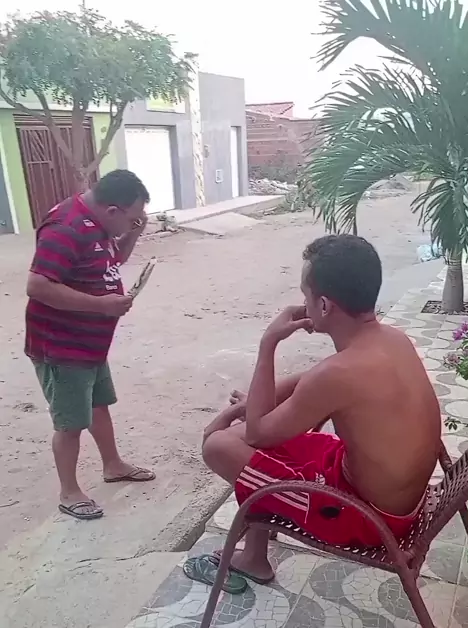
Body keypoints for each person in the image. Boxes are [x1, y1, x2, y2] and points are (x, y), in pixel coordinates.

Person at [185, 233, 441, 593]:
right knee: (267, 446)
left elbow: (257, 431)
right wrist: (250, 405)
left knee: (219, 447)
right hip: (389, 498)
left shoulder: (338, 373)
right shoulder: (391, 340)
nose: (302, 304)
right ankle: (254, 555)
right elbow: (309, 382)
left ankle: (252, 556)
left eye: (305, 295)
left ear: (322, 305)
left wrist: (268, 343)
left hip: (364, 518)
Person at [25, 169, 156, 520]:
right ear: (112, 210)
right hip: (63, 345)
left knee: (99, 405)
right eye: (131, 218)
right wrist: (102, 306)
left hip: (90, 343)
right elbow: (38, 286)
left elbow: (113, 261)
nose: (133, 223)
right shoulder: (65, 227)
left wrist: (134, 232)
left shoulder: (98, 222)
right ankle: (69, 492)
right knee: (70, 422)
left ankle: (112, 465)